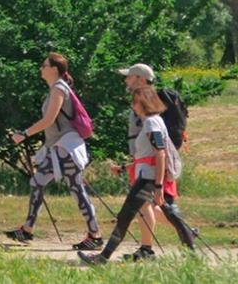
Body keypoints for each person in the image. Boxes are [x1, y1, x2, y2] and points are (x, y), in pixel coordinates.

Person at [78, 86, 192, 265]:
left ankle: (102, 258)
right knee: (166, 214)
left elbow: (160, 153)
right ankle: (191, 250)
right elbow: (149, 155)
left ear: (143, 102)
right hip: (147, 177)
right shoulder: (156, 121)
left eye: (135, 102)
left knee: (125, 217)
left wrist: (158, 185)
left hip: (147, 179)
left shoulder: (151, 123)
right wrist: (126, 168)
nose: (132, 106)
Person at [4, 53, 102, 250]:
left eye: (44, 65)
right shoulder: (56, 89)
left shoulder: (58, 89)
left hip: (66, 147)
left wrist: (24, 134)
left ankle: (95, 235)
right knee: (54, 185)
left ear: (54, 69)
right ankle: (28, 229)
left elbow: (49, 120)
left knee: (70, 188)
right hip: (62, 147)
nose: (41, 68)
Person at [112, 64, 194, 260]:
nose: (126, 80)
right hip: (145, 165)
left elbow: (157, 148)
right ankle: (182, 234)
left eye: (129, 77)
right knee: (150, 207)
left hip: (150, 168)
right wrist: (128, 166)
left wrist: (157, 180)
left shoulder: (147, 104)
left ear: (140, 78)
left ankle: (175, 237)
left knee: (150, 206)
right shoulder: (149, 103)